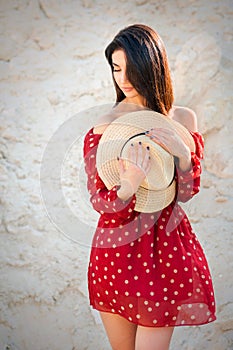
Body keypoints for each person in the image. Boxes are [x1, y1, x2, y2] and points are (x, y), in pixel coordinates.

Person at [83, 24, 216, 350]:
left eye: (132, 69)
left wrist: (184, 155)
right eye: (116, 69)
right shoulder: (104, 126)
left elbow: (185, 193)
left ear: (152, 67)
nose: (123, 79)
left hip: (164, 250)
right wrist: (128, 186)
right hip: (114, 249)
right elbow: (99, 200)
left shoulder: (182, 119)